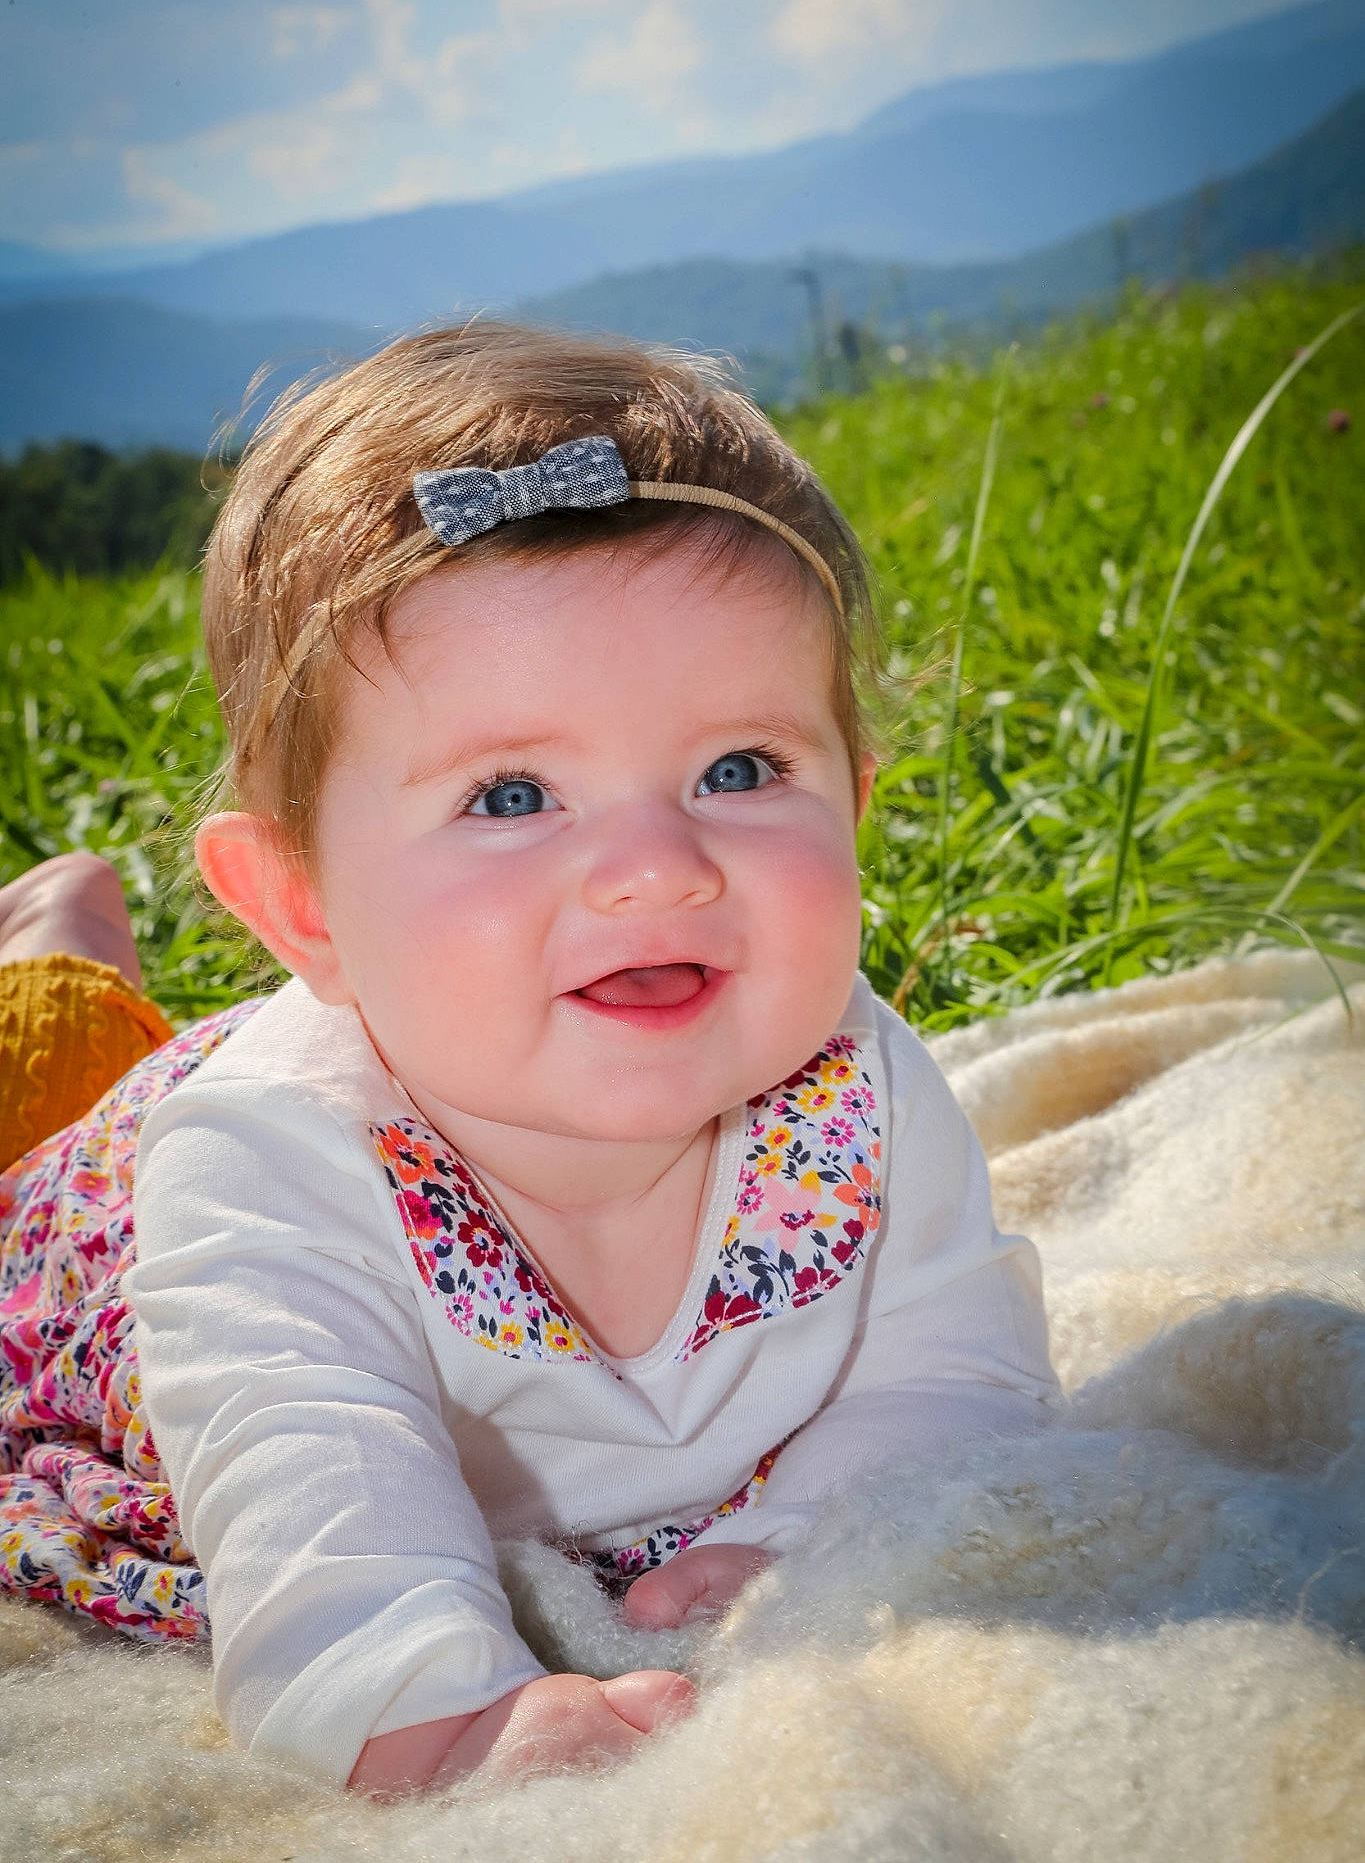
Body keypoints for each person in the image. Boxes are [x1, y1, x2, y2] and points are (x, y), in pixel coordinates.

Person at [0, 322, 1057, 1797]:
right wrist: (435, 1710)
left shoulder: (855, 1086)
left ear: (858, 801)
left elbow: (952, 1361)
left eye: (738, 771)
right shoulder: (264, 1167)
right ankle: (57, 941)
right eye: (511, 794)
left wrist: (804, 1532)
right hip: (84, 1216)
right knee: (41, 1066)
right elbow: (311, 1483)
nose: (653, 868)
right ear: (303, 905)